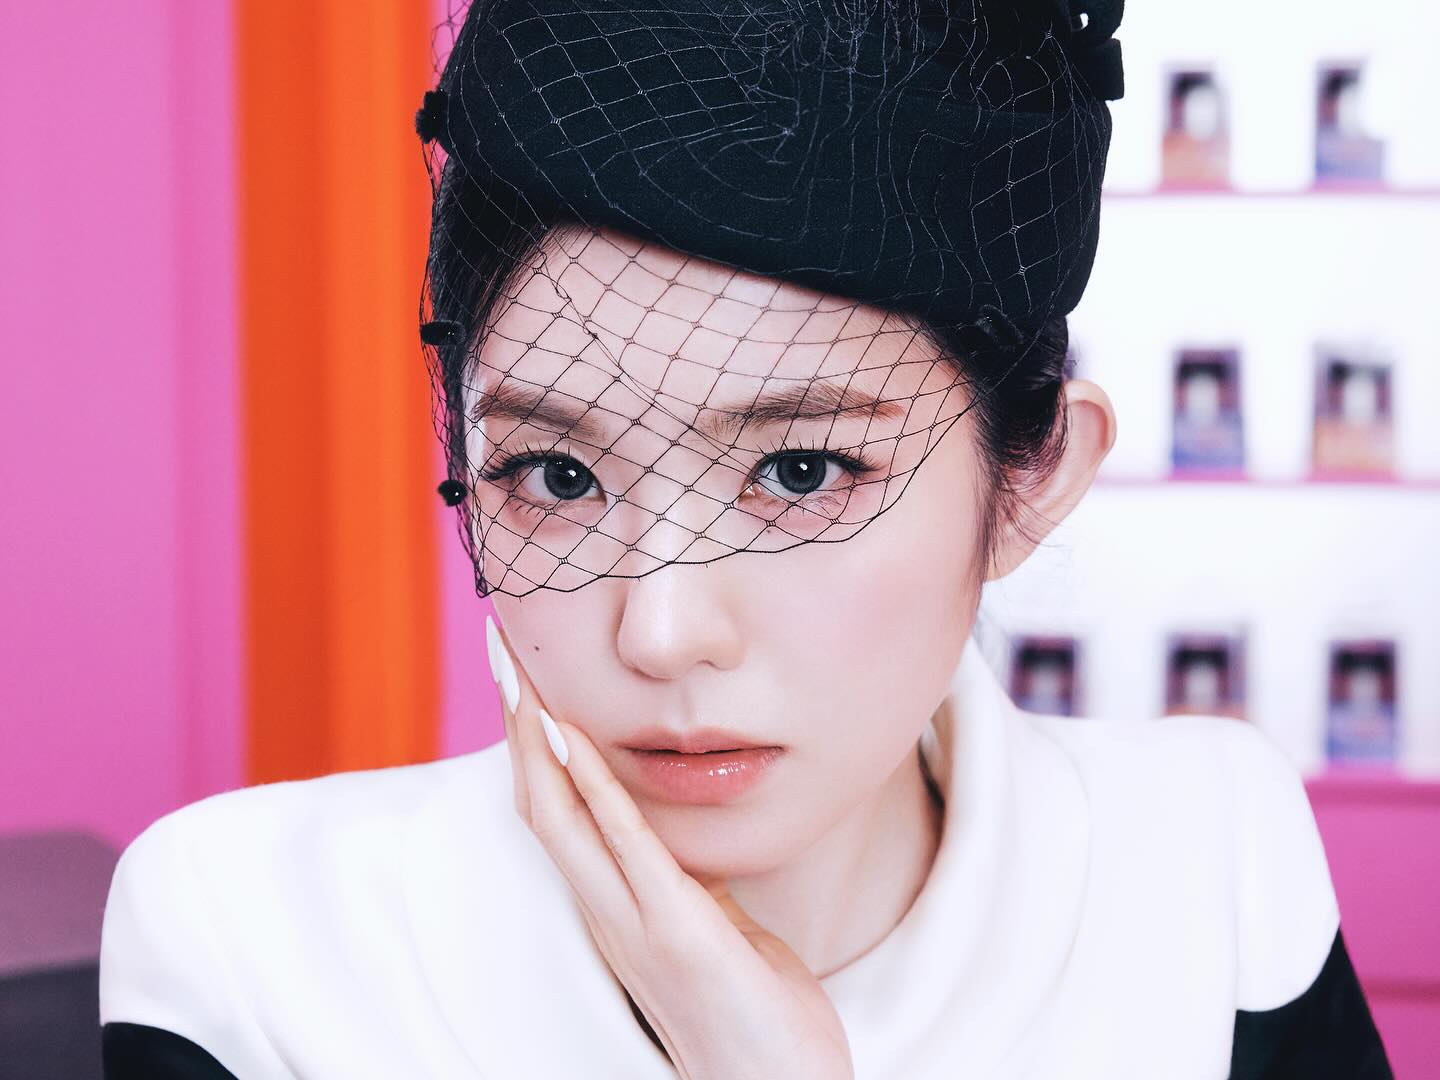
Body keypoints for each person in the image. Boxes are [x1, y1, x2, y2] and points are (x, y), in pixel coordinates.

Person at [99, 0, 1392, 1076]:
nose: (662, 630)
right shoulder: (260, 947)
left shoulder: (1204, 865)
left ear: (1034, 476)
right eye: (557, 475)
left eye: (800, 470)